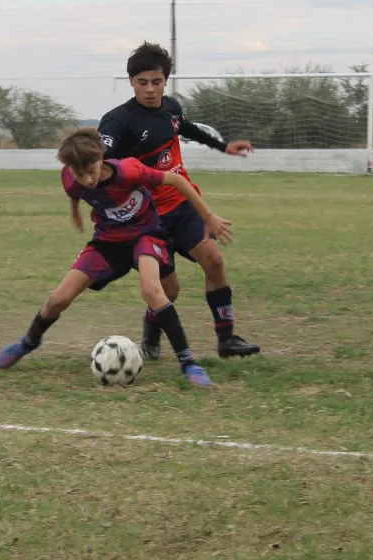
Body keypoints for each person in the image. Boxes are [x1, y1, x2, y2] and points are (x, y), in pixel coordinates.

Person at [0, 128, 234, 387]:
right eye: (78, 173)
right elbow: (73, 191)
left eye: (91, 170)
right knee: (58, 298)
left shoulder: (129, 170)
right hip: (108, 241)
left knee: (154, 291)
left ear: (101, 158)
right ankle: (29, 341)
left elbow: (177, 181)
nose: (86, 179)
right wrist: (74, 211)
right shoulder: (70, 177)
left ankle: (188, 363)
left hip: (147, 235)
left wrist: (208, 216)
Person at [98, 41, 261, 361]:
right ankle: (151, 330)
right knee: (169, 291)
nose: (149, 89)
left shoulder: (171, 108)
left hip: (183, 205)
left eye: (156, 82)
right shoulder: (117, 122)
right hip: (147, 218)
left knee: (213, 260)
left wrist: (223, 146)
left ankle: (226, 339)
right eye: (142, 82)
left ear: (165, 81)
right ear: (131, 81)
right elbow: (99, 166)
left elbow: (186, 128)